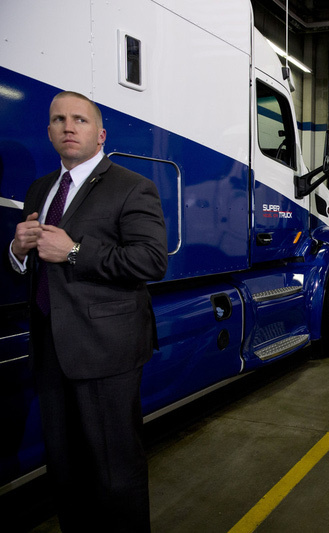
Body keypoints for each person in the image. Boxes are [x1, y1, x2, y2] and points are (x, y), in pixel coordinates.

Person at [7, 91, 168, 532]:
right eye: (58, 119)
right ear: (49, 132)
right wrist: (18, 251)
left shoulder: (132, 186)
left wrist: (75, 251)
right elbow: (36, 266)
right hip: (51, 348)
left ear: (99, 134)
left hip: (106, 352)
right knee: (65, 468)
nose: (68, 127)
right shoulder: (41, 189)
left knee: (115, 472)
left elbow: (152, 261)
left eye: (79, 119)